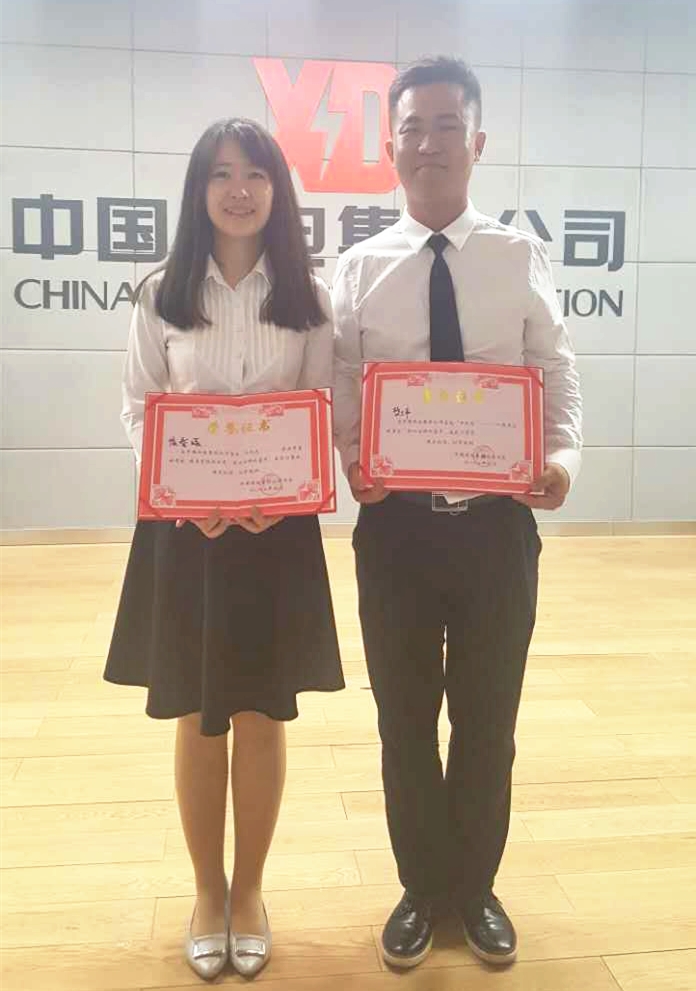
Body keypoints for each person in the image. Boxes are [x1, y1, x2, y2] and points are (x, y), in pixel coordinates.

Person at [333, 57, 582, 969]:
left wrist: (560, 458)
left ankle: (474, 886)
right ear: (390, 146)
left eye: (446, 126)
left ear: (476, 143)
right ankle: (420, 885)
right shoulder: (358, 267)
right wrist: (352, 457)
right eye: (412, 127)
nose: (429, 143)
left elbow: (554, 369)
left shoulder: (517, 256)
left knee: (487, 717)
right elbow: (344, 383)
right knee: (403, 718)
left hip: (496, 528)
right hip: (395, 529)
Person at [105, 118, 344, 980]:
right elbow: (140, 407)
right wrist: (180, 492)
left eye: (255, 174)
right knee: (200, 711)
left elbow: (319, 405)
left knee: (262, 711)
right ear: (197, 190)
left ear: (278, 190)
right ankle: (207, 890)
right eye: (220, 174)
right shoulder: (160, 293)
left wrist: (282, 494)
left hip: (278, 534)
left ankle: (250, 893)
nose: (239, 190)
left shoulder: (310, 296)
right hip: (188, 532)